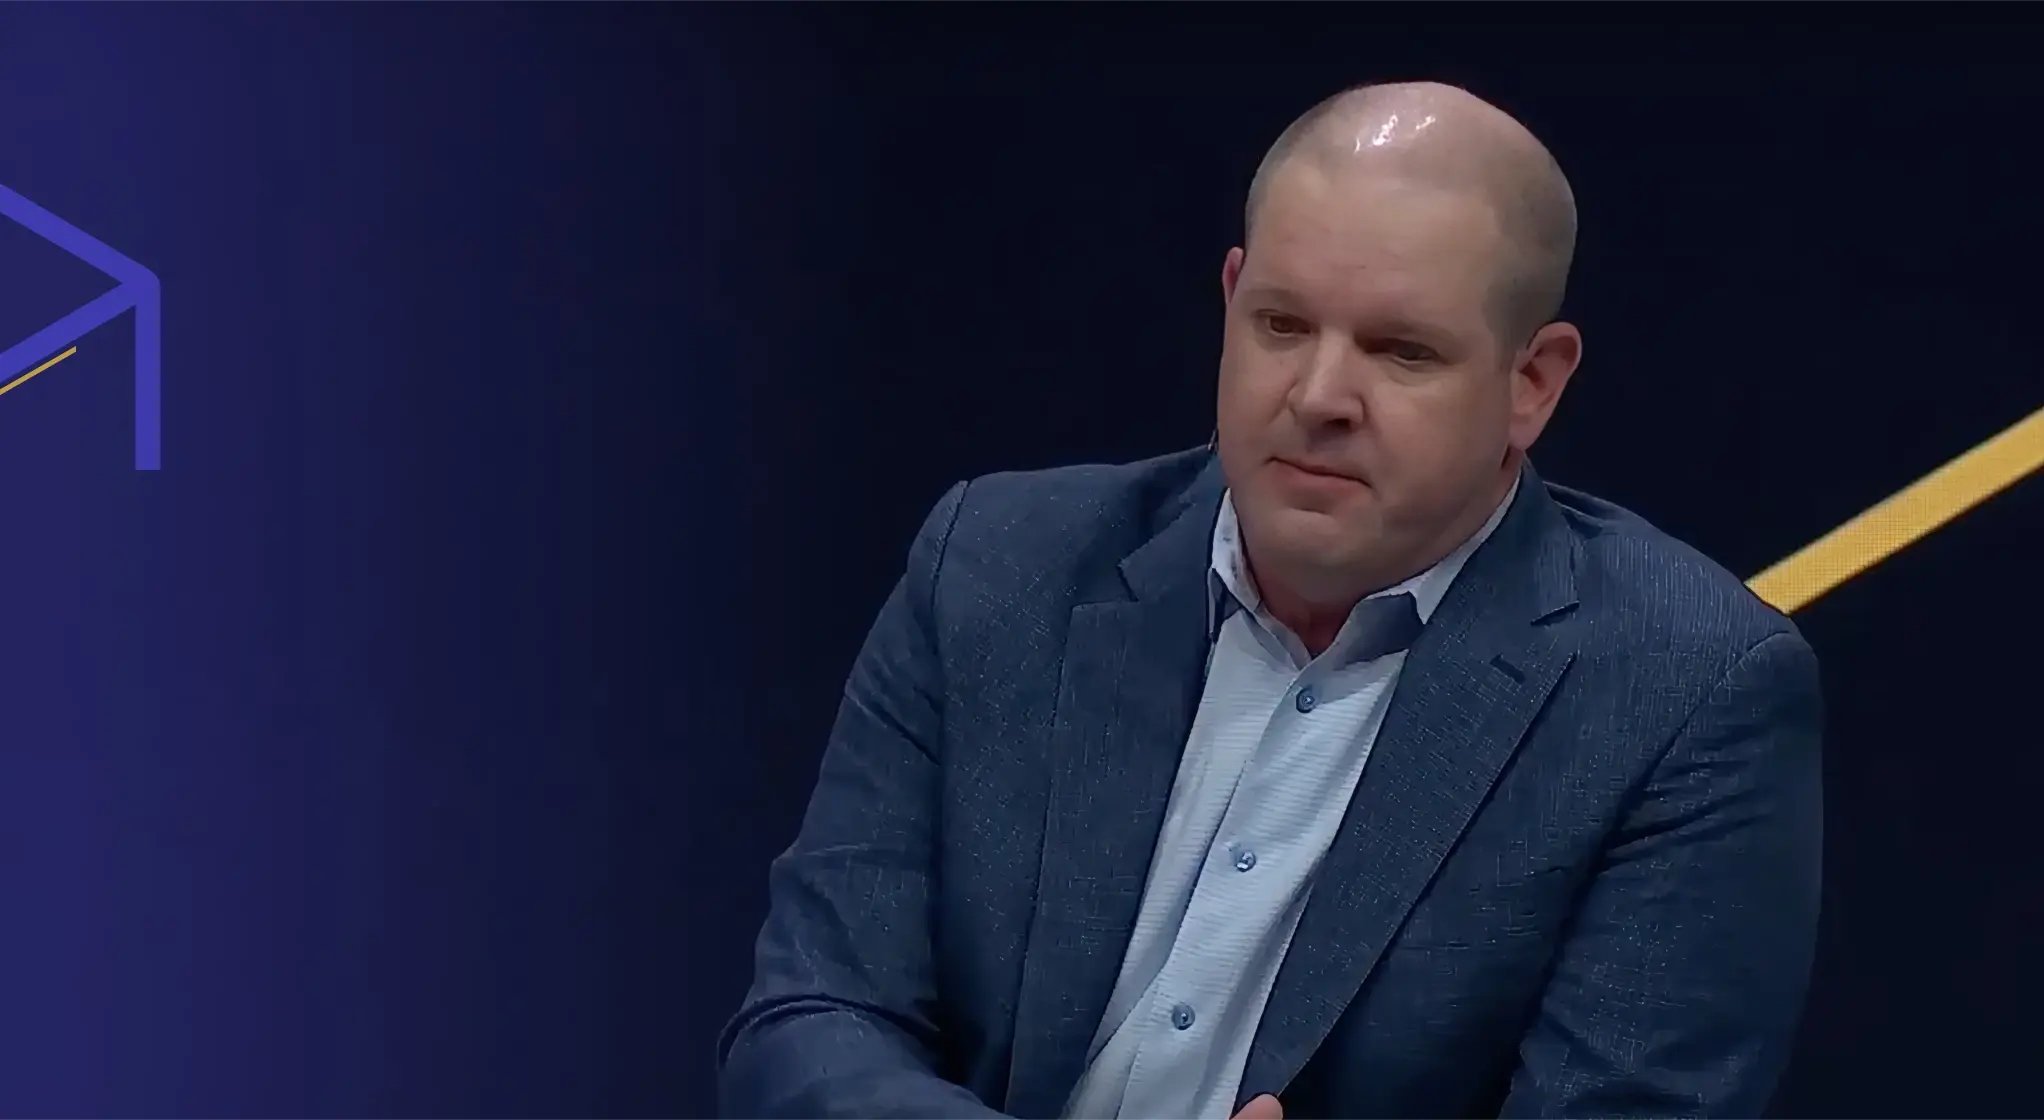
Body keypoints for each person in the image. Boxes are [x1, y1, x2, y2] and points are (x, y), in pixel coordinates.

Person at [717, 81, 1823, 1120]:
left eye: (1399, 351)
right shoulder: (997, 569)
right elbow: (809, 1028)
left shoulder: (1682, 694)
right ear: (1231, 296)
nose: (1318, 396)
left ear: (1531, 381)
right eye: (1283, 325)